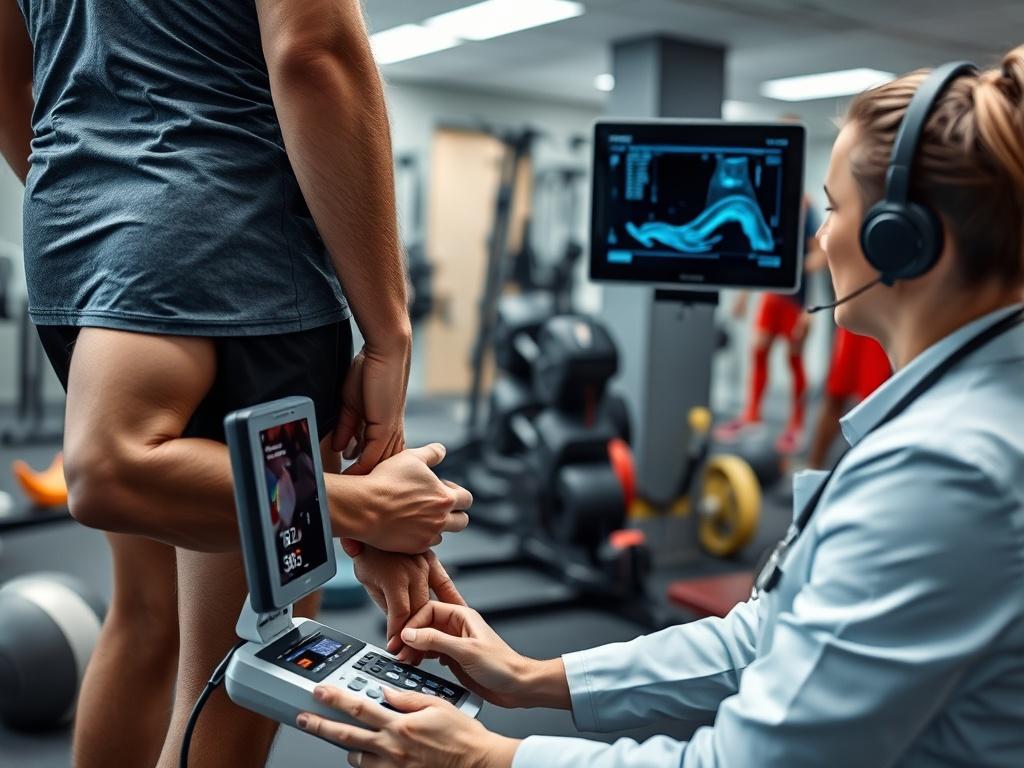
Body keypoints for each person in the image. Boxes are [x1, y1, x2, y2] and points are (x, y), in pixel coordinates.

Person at [299, 48, 1024, 767]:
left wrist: (489, 760)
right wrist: (533, 679)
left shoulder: (945, 471)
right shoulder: (955, 423)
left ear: (902, 241)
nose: (819, 238)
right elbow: (773, 636)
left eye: (834, 210)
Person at [0, 1, 471, 767]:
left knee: (147, 615)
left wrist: (101, 194)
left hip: (80, 259)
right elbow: (313, 52)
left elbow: (8, 71)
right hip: (232, 265)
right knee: (226, 683)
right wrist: (388, 335)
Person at [715, 195, 825, 454]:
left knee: (794, 359)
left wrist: (806, 306)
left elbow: (820, 256)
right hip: (772, 295)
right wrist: (743, 297)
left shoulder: (805, 209)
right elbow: (758, 253)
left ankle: (796, 426)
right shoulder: (768, 206)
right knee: (758, 350)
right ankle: (752, 417)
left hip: (796, 299)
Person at [804, 324, 891, 469]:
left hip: (885, 321)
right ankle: (813, 468)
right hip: (856, 319)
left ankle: (868, 475)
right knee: (836, 394)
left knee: (875, 403)